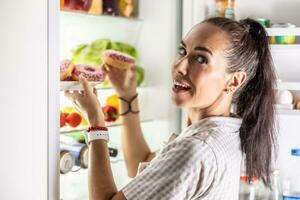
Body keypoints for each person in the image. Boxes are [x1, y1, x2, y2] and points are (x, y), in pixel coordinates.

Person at [65, 17, 277, 200]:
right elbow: (139, 164)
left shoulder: (197, 148)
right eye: (182, 51)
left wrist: (95, 122)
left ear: (234, 81)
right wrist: (127, 96)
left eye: (201, 58)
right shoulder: (226, 130)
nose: (179, 66)